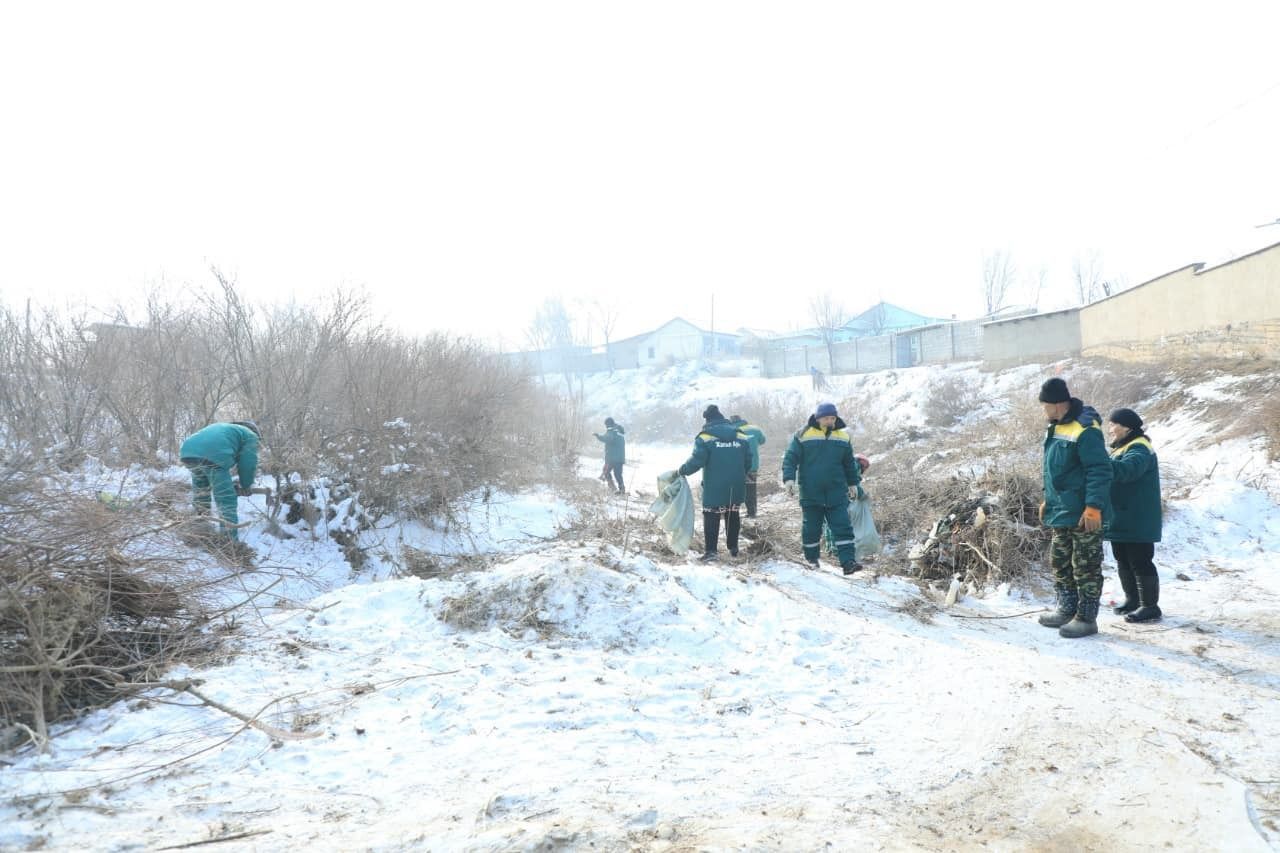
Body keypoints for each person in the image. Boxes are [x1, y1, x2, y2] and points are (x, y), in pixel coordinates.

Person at [1036, 378, 1113, 638]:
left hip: (1082, 513)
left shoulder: (1086, 429)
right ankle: (1066, 609)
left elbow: (1099, 470)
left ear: (1058, 404)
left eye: (1045, 405)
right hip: (1061, 510)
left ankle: (1086, 618)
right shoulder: (1056, 427)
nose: (1043, 409)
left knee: (1086, 565)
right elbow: (1055, 470)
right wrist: (1049, 498)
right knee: (1060, 561)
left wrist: (1093, 507)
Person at [781, 402, 863, 575]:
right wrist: (789, 479)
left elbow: (848, 463)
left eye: (832, 418)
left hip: (836, 491)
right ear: (818, 418)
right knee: (811, 528)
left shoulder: (843, 436)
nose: (830, 421)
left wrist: (852, 483)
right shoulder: (803, 435)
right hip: (811, 491)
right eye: (826, 418)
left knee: (843, 526)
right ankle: (811, 559)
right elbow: (790, 458)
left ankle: (848, 562)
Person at [1105, 407, 1163, 622]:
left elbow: (1128, 471)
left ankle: (1150, 606)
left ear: (1127, 427)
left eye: (1113, 424)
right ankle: (1133, 600)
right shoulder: (1123, 447)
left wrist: (1100, 462)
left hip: (1138, 517)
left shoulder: (1140, 447)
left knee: (1140, 561)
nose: (1110, 429)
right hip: (1122, 516)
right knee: (1123, 559)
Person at [676, 405, 751, 562]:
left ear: (708, 420)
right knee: (733, 512)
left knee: (711, 514)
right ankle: (733, 549)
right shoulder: (741, 435)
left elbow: (697, 461)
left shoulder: (705, 437)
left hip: (714, 484)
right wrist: (738, 473)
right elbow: (748, 460)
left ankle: (711, 552)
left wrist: (682, 471)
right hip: (736, 483)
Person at [179, 420, 261, 541]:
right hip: (214, 457)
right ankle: (229, 543)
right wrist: (246, 485)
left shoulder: (226, 429)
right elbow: (248, 463)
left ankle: (200, 530)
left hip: (187, 453)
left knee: (202, 494)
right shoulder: (250, 435)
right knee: (226, 500)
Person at [728, 414, 766, 518]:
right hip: (753, 465)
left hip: (737, 466)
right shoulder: (755, 429)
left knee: (736, 489)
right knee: (751, 489)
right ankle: (752, 512)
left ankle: (733, 513)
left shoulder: (732, 431)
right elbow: (763, 440)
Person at [594, 417, 626, 493]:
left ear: (608, 424)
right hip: (620, 458)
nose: (606, 426)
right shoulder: (619, 431)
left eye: (606, 424)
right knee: (618, 474)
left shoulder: (612, 431)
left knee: (606, 472)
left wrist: (598, 436)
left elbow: (607, 439)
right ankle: (622, 489)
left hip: (612, 458)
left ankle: (612, 489)